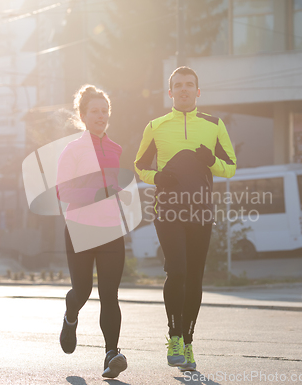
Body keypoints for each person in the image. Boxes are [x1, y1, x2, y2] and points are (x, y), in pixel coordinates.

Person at [134, 67, 236, 371]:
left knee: (194, 278)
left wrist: (211, 161)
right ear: (170, 93)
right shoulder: (155, 126)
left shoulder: (214, 125)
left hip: (200, 211)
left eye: (189, 85)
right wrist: (158, 178)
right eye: (177, 85)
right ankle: (174, 336)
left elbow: (230, 167)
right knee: (176, 270)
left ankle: (188, 343)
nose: (183, 90)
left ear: (198, 92)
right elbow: (139, 166)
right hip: (168, 210)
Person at [56, 85, 130, 378]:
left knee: (110, 294)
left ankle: (111, 353)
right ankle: (70, 314)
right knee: (83, 290)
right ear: (83, 116)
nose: (100, 116)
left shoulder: (115, 149)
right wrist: (96, 192)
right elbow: (63, 191)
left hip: (111, 230)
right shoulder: (72, 150)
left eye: (104, 111)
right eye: (94, 111)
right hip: (80, 229)